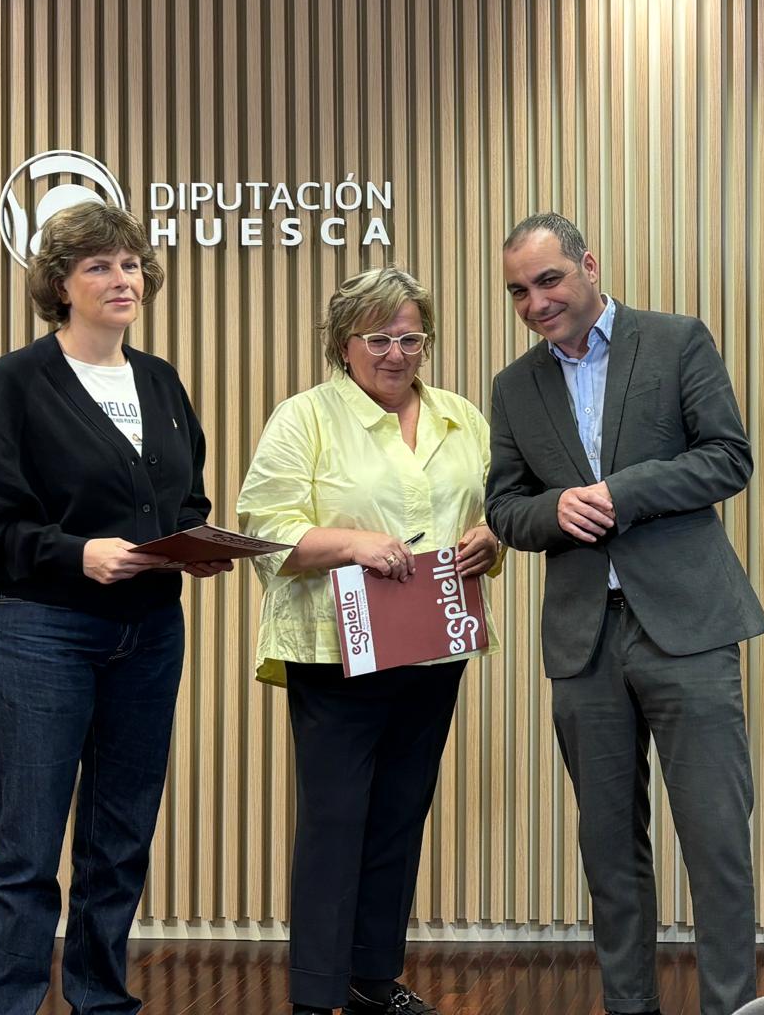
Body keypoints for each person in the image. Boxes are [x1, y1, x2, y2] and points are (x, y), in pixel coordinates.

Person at [0, 201, 231, 1015]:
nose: (122, 278)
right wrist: (77, 553)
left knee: (119, 842)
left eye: (131, 263)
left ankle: (101, 1001)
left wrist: (195, 544)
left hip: (150, 633)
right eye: (99, 266)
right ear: (60, 285)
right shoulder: (16, 382)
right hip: (41, 632)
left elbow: (185, 497)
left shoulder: (160, 382)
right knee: (25, 852)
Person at [486, 213, 764, 1015]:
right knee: (608, 851)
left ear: (589, 265)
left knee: (716, 842)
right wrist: (552, 512)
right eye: (519, 292)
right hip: (584, 642)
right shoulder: (513, 387)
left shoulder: (676, 340)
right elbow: (504, 507)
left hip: (688, 629)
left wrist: (622, 493)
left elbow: (728, 457)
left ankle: (730, 1009)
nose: (536, 303)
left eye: (548, 280)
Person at [237, 265, 500, 1015]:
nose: (396, 353)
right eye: (378, 338)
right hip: (335, 654)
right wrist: (354, 543)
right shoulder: (305, 418)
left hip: (434, 647)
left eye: (411, 339)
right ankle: (315, 995)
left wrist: (491, 539)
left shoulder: (460, 417)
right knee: (335, 821)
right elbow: (264, 529)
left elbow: (495, 507)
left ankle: (372, 980)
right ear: (343, 344)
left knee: (399, 818)